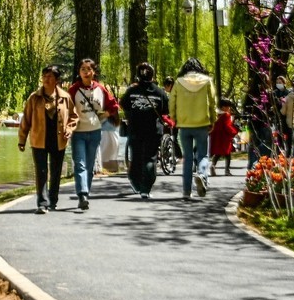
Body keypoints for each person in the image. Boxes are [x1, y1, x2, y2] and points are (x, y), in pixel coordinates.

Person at [18, 65, 79, 213]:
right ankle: (42, 203)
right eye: (44, 76)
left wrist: (69, 129)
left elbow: (74, 116)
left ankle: (53, 200)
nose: (46, 79)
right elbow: (26, 119)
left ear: (57, 80)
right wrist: (22, 139)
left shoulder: (65, 97)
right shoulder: (34, 98)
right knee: (41, 171)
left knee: (56, 171)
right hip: (39, 139)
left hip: (58, 140)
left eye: (50, 76)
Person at [67, 58, 119, 210]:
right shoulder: (73, 90)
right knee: (80, 165)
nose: (86, 72)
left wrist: (105, 114)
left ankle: (86, 192)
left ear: (93, 72)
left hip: (95, 132)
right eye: (83, 69)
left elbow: (114, 105)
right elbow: (66, 108)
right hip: (78, 133)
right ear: (79, 72)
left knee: (89, 166)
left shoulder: (100, 89)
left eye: (88, 69)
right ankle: (82, 194)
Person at [169, 58, 217, 199]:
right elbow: (212, 102)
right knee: (202, 155)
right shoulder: (207, 81)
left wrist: (174, 119)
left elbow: (172, 102)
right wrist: (213, 120)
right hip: (202, 123)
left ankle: (186, 192)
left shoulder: (178, 82)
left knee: (187, 157)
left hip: (184, 125)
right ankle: (202, 174)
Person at [120, 62, 168, 199]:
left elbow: (123, 105)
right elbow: (165, 110)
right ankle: (145, 189)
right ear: (152, 76)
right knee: (150, 158)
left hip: (135, 129)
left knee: (136, 157)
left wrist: (133, 114)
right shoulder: (160, 92)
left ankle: (135, 183)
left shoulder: (131, 91)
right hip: (153, 130)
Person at [243, 80, 274, 169]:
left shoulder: (250, 94)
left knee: (254, 144)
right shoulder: (268, 93)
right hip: (264, 123)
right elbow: (272, 108)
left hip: (254, 123)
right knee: (265, 144)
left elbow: (245, 108)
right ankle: (264, 164)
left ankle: (252, 165)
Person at [209, 100, 239, 176]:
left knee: (218, 153)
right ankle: (227, 170)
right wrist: (234, 132)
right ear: (223, 107)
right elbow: (227, 126)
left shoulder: (215, 114)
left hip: (216, 136)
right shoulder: (226, 115)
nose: (229, 109)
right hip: (224, 136)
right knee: (227, 154)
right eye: (228, 107)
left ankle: (213, 165)